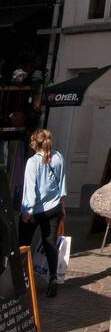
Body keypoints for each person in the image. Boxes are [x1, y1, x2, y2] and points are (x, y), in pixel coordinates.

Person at [18, 128, 66, 298]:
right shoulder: (58, 157)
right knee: (50, 244)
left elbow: (30, 189)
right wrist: (62, 206)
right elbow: (62, 184)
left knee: (23, 244)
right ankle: (53, 278)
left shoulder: (33, 162)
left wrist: (27, 210)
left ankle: (20, 279)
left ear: (34, 142)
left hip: (35, 210)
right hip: (53, 208)